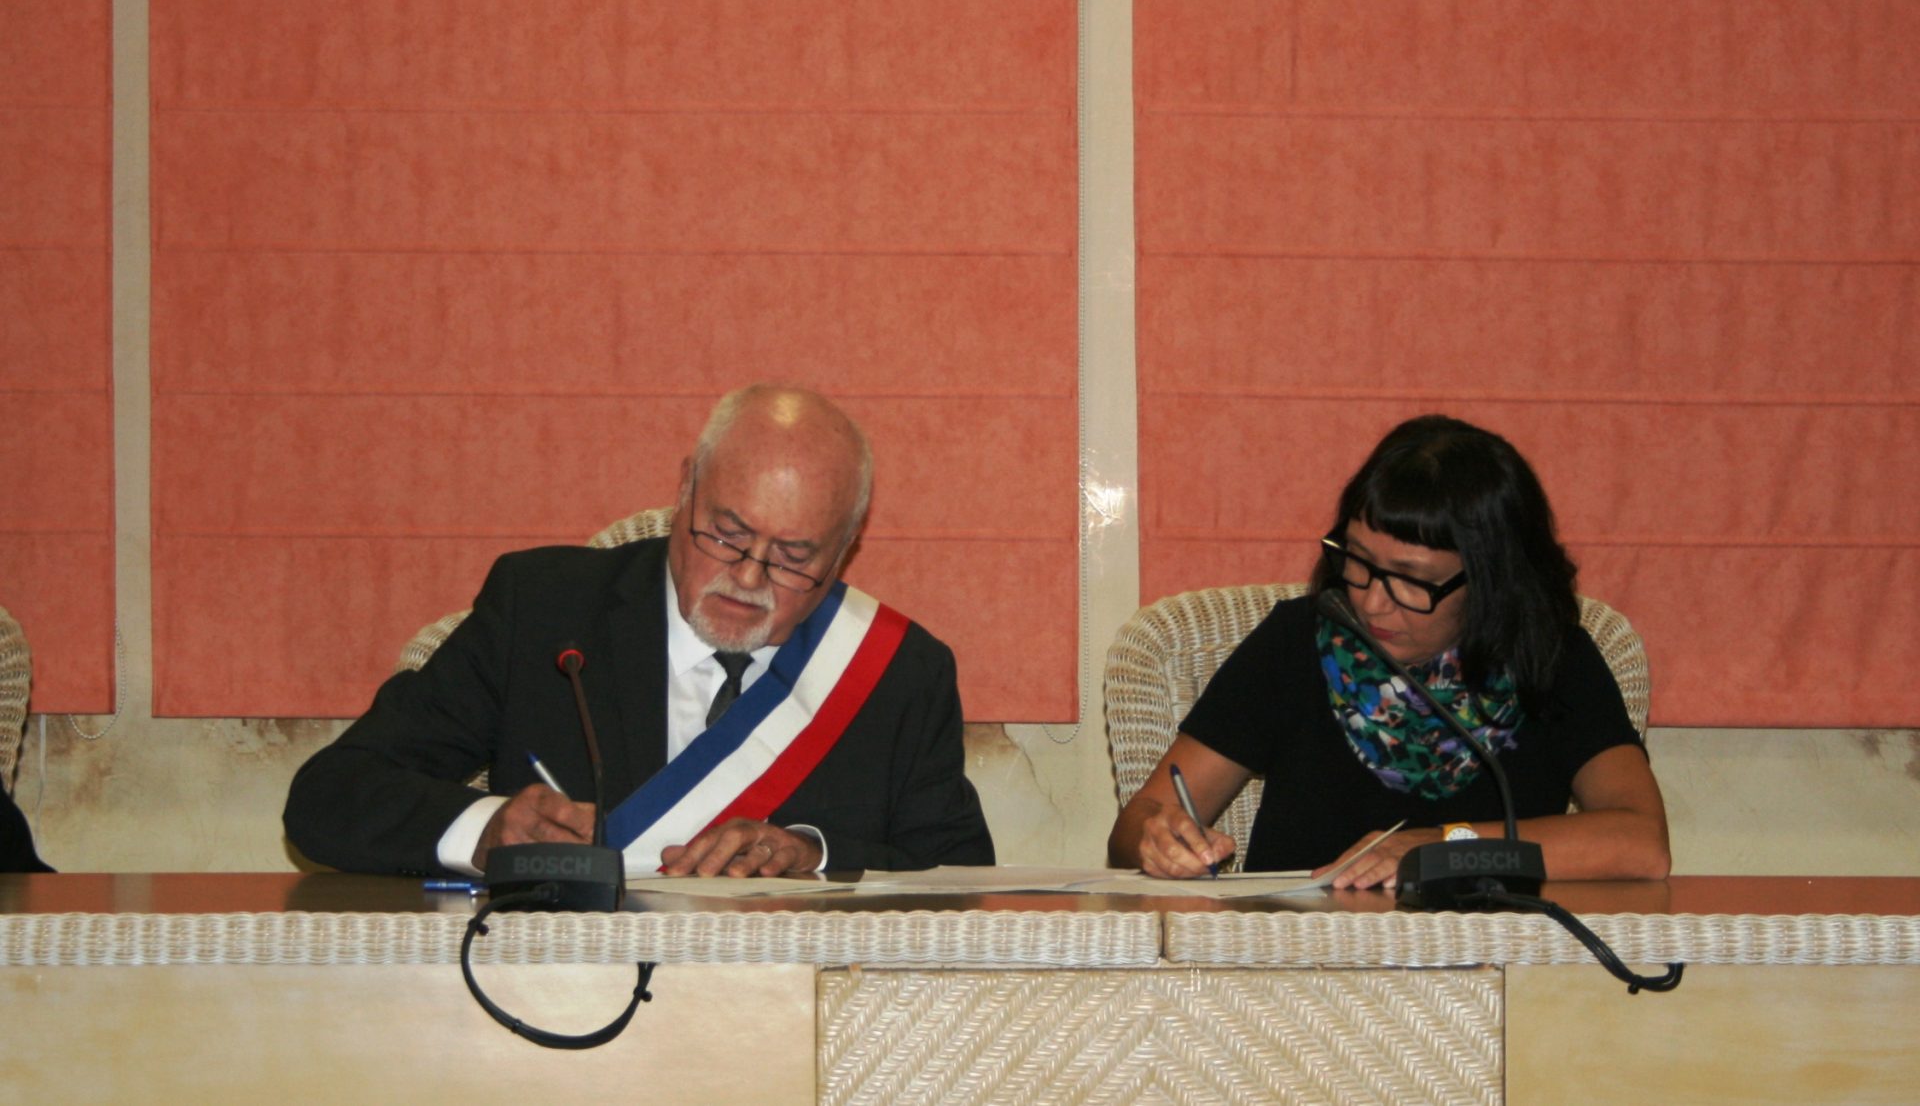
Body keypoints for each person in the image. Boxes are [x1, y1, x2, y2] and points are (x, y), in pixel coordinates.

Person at [285, 384, 993, 877]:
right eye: (727, 533)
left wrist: (818, 856)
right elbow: (330, 796)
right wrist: (487, 829)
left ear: (843, 552)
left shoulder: (899, 673)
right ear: (685, 489)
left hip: (783, 1021)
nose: (748, 576)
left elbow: (961, 878)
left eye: (792, 556)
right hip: (563, 1003)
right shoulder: (544, 610)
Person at [1109, 415, 1669, 886]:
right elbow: (1136, 825)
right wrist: (1157, 838)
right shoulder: (1296, 642)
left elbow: (1640, 843)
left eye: (1411, 580)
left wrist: (1445, 848)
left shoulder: (1549, 656)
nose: (1372, 602)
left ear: (1492, 582)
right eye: (1357, 560)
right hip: (1298, 962)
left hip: (1487, 962)